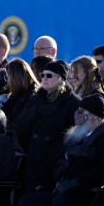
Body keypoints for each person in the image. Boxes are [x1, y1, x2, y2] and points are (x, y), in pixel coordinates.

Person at [17, 60, 80, 194]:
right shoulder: (36, 98)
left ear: (60, 78)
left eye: (49, 75)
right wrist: (37, 111)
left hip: (54, 161)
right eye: (42, 75)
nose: (44, 78)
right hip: (34, 157)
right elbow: (20, 125)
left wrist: (61, 153)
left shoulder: (73, 102)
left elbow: (75, 134)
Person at [1, 58, 40, 149]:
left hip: (26, 148)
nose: (7, 81)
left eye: (8, 77)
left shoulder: (33, 97)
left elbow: (21, 125)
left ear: (16, 77)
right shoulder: (15, 96)